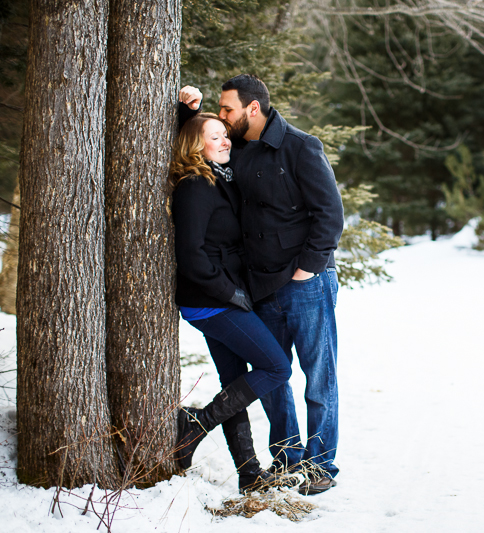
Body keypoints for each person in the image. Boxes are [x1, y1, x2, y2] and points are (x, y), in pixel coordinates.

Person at [180, 75, 344, 495]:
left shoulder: (301, 147)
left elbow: (330, 214)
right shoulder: (237, 151)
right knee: (273, 375)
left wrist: (309, 267)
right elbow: (194, 143)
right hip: (260, 288)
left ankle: (320, 464)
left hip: (307, 283)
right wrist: (186, 110)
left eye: (229, 109)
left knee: (318, 375)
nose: (224, 118)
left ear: (253, 109)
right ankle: (287, 459)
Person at [170, 112, 293, 494]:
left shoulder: (220, 177)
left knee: (233, 382)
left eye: (226, 135)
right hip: (210, 300)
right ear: (195, 145)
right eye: (216, 137)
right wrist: (229, 293)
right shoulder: (195, 185)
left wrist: (190, 113)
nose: (226, 142)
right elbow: (191, 255)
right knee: (277, 367)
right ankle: (195, 427)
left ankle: (249, 472)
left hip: (223, 295)